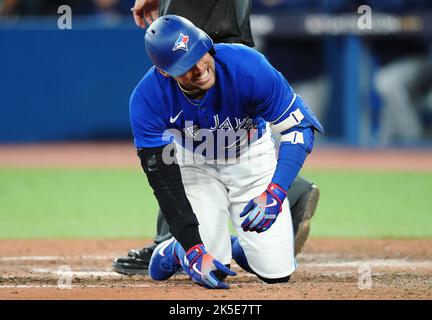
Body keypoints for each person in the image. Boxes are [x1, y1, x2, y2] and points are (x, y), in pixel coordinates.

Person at [112, 0, 321, 276]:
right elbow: (164, 183)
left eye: (199, 54)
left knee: (276, 272)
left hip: (250, 155)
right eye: (185, 65)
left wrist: (276, 191)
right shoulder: (147, 98)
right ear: (164, 72)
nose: (199, 68)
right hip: (195, 163)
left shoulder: (249, 67)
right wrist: (193, 248)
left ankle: (241, 243)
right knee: (213, 265)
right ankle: (173, 249)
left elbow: (299, 128)